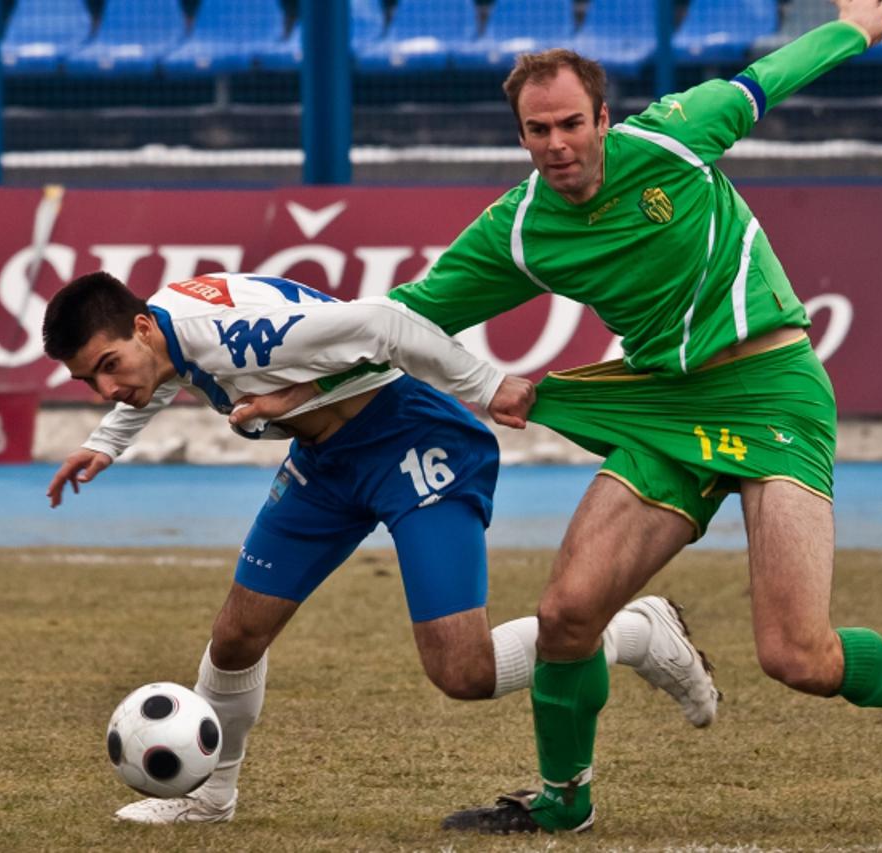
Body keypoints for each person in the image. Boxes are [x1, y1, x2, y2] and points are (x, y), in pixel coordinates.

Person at [382, 0, 882, 832]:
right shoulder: (519, 229)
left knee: (794, 654)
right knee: (566, 614)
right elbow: (403, 316)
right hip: (663, 406)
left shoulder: (671, 136)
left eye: (568, 125)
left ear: (602, 118)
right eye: (535, 131)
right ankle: (564, 800)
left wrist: (857, 29)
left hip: (771, 390)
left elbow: (764, 79)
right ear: (519, 135)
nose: (555, 145)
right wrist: (280, 365)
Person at [41, 271, 720, 825]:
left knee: (463, 671)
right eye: (89, 382)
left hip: (415, 440)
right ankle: (211, 795)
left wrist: (484, 388)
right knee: (237, 634)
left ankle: (635, 630)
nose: (106, 388)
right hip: (326, 462)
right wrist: (105, 440)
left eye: (107, 367)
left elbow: (383, 326)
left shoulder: (235, 338)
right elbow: (153, 375)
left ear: (140, 326)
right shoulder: (162, 332)